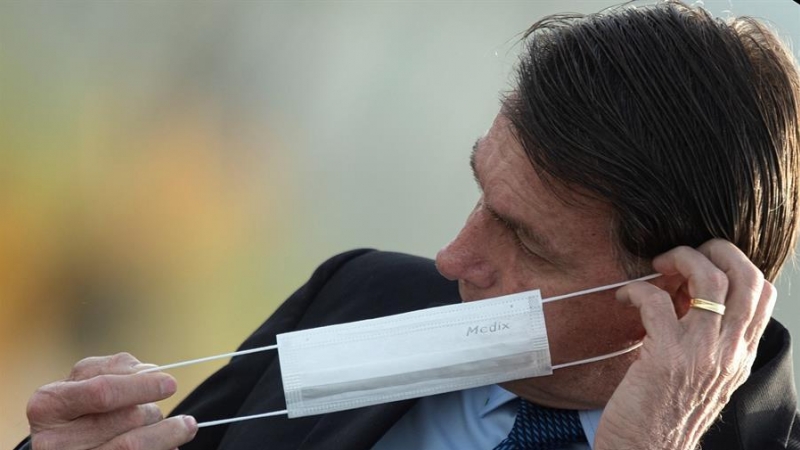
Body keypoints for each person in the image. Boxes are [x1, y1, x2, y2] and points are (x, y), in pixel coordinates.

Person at [15, 1, 800, 449]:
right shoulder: (364, 296)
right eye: (482, 195)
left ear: (667, 292)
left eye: (525, 238)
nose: (454, 259)